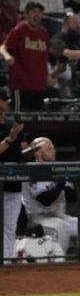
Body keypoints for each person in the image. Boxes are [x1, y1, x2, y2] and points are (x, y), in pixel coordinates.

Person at [22, 137, 80, 258]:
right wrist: (62, 180)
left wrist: (77, 185)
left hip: (61, 217)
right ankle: (58, 265)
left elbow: (72, 199)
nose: (53, 151)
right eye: (48, 149)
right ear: (37, 152)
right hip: (39, 219)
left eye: (53, 148)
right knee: (63, 228)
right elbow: (45, 200)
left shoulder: (58, 168)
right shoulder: (32, 170)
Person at [0, 1, 49, 111]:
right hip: (21, 84)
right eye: (33, 12)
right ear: (26, 14)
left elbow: (44, 58)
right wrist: (7, 56)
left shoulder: (44, 33)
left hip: (39, 86)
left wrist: (47, 76)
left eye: (39, 12)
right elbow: (2, 47)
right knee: (19, 121)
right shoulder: (19, 30)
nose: (36, 15)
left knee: (36, 122)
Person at [0, 90, 24, 263]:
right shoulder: (10, 131)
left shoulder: (12, 125)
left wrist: (33, 149)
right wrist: (10, 139)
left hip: (14, 187)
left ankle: (7, 264)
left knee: (9, 229)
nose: (5, 103)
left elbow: (22, 150)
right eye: (2, 100)